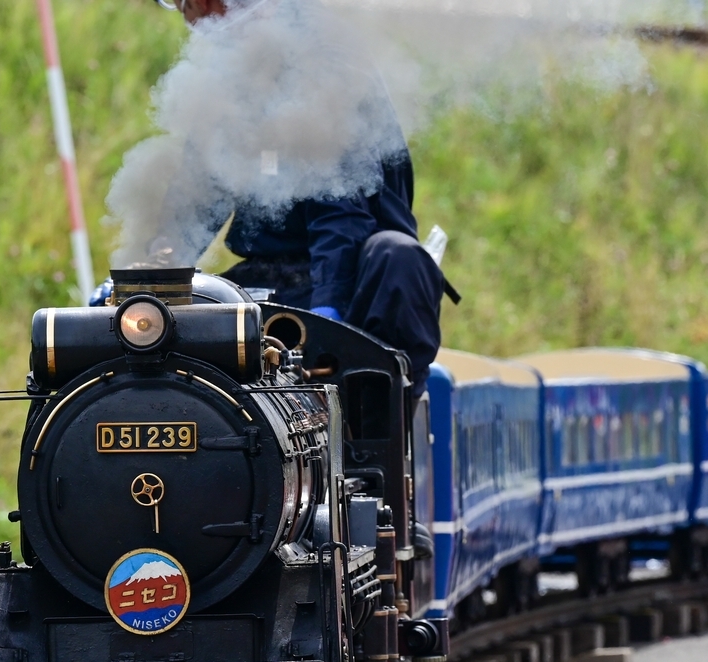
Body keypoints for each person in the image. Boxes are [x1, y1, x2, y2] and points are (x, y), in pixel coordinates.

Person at [98, 0, 451, 397]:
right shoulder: (233, 75)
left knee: (398, 258)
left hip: (355, 277)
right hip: (269, 274)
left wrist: (326, 314)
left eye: (191, 3)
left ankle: (376, 421)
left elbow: (339, 213)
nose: (187, 16)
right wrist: (148, 277)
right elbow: (198, 190)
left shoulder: (323, 62)